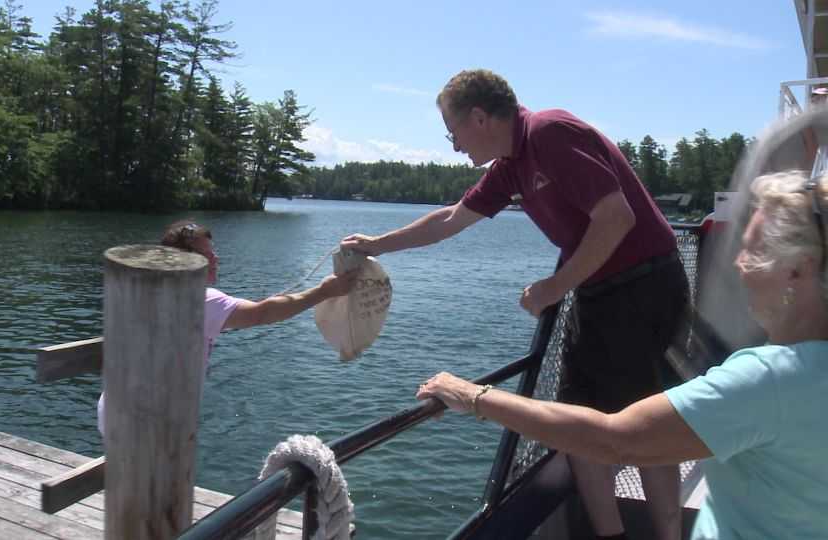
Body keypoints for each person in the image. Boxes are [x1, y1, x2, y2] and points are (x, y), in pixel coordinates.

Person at [341, 69, 689, 540]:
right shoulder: (511, 163)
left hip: (642, 287)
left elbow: (616, 217)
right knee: (587, 422)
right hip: (602, 292)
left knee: (644, 418)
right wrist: (378, 244)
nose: (454, 145)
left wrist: (553, 287)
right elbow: (449, 219)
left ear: (480, 118)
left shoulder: (549, 134)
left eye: (453, 131)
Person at [416, 170, 828, 540]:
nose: (738, 264)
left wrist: (472, 396)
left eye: (753, 251)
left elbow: (616, 440)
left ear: (798, 269)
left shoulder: (769, 382)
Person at [98, 219, 357, 433]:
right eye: (206, 254)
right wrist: (324, 292)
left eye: (213, 251)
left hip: (115, 409)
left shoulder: (150, 291)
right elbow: (261, 314)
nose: (215, 258)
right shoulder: (200, 299)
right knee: (156, 489)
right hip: (148, 419)